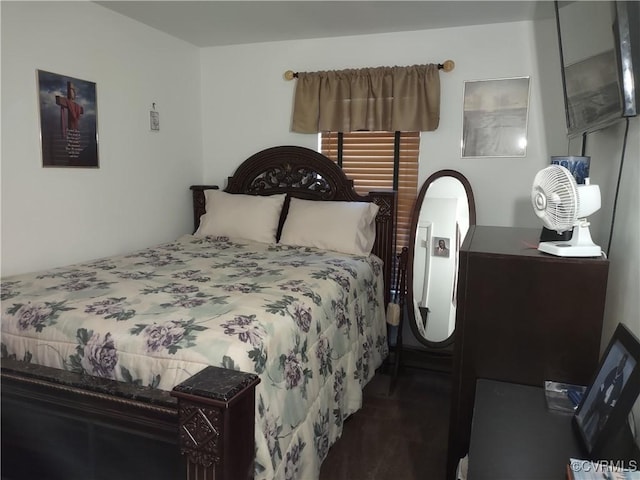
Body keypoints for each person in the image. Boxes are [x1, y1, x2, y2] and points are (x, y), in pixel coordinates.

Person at [581, 353, 628, 447]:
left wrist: (608, 413)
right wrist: (596, 399)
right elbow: (602, 385)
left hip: (606, 406)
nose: (621, 365)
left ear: (624, 366)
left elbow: (615, 400)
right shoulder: (613, 371)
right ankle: (581, 427)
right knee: (590, 411)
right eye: (621, 362)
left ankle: (591, 445)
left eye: (623, 363)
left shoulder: (621, 381)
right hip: (600, 399)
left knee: (600, 427)